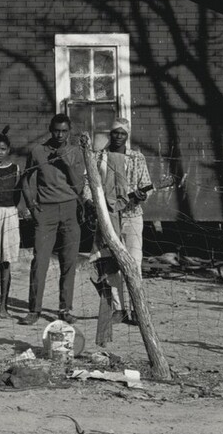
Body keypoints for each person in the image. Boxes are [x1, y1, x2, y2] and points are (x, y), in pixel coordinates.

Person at [82, 118, 152, 326]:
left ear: (127, 135)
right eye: (115, 132)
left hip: (131, 216)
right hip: (108, 216)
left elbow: (146, 184)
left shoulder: (136, 157)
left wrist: (140, 195)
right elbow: (88, 182)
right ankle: (118, 308)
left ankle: (137, 309)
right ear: (110, 134)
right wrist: (89, 202)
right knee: (110, 263)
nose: (119, 136)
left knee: (134, 263)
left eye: (123, 133)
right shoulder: (98, 156)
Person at [20, 114, 86, 325]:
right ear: (50, 129)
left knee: (69, 261)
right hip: (45, 211)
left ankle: (65, 309)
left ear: (70, 131)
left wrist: (66, 163)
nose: (59, 135)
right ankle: (34, 310)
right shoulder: (38, 151)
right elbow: (26, 179)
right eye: (56, 130)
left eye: (64, 131)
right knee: (40, 261)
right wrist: (31, 204)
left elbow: (79, 186)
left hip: (69, 209)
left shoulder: (75, 152)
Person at [0, 133, 21, 319]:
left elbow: (20, 193)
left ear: (9, 150)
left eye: (3, 149)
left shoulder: (15, 168)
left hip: (10, 214)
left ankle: (4, 307)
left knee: (6, 262)